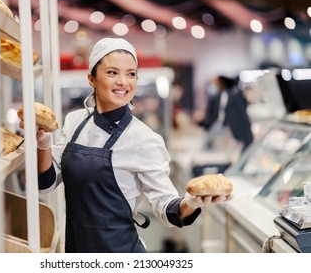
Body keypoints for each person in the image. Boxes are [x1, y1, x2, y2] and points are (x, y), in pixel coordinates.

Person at [22, 38, 232, 253]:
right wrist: (43, 145)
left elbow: (166, 207)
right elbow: (45, 184)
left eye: (131, 74)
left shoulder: (143, 138)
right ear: (91, 79)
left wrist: (192, 202)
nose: (124, 81)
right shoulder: (74, 121)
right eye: (112, 72)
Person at [195, 75, 253, 151]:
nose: (213, 86)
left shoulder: (234, 97)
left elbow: (237, 120)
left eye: (215, 83)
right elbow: (216, 119)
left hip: (236, 137)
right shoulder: (220, 97)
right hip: (225, 136)